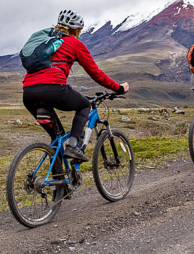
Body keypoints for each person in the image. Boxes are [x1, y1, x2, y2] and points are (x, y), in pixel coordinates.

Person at [22, 10, 129, 163]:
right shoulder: (74, 43)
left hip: (29, 93)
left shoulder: (46, 42)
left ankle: (59, 184)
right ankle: (73, 146)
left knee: (56, 138)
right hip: (53, 89)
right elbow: (96, 74)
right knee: (85, 105)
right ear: (76, 30)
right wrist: (118, 88)